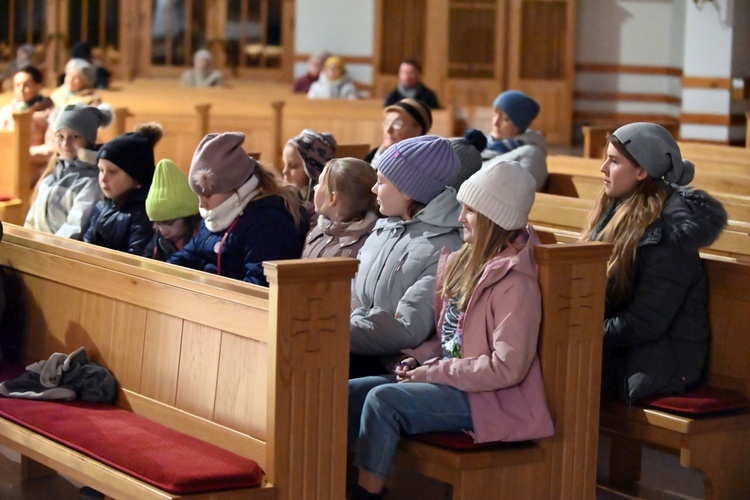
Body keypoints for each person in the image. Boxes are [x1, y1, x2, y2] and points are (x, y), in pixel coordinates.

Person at [347, 161, 554, 499]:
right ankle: (331, 482)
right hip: (454, 380)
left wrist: (436, 372)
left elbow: (507, 367)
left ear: (492, 219)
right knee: (352, 391)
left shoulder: (516, 284)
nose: (460, 218)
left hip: (490, 399)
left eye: (469, 211)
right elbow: (449, 339)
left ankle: (367, 494)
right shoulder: (464, 263)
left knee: (384, 400)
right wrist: (418, 359)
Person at [579, 123, 727, 404]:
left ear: (641, 170)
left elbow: (645, 322)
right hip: (626, 351)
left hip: (658, 364)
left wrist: (580, 331)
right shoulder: (615, 213)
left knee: (558, 373)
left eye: (613, 161)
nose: (602, 168)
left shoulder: (669, 235)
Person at [350, 135, 464, 378]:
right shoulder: (384, 229)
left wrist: (332, 331)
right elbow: (351, 294)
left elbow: (407, 329)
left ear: (408, 191)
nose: (373, 189)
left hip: (394, 365)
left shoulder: (444, 247)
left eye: (381, 182)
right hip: (355, 344)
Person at [168, 132, 310, 286]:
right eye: (198, 196)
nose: (202, 204)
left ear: (235, 187)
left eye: (207, 195)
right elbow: (189, 255)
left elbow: (259, 286)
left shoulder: (269, 222)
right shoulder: (216, 214)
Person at [24, 103, 113, 239]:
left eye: (75, 136)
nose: (65, 143)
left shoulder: (92, 181)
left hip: (58, 254)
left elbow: (74, 229)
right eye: (60, 136)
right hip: (38, 251)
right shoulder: (51, 176)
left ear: (88, 140)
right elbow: (31, 222)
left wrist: (41, 249)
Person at [83, 124, 163, 255]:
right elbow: (86, 244)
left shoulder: (144, 215)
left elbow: (135, 260)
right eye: (101, 170)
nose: (103, 178)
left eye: (113, 171)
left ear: (137, 177)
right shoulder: (102, 205)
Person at [302, 157, 379, 259]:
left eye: (320, 183)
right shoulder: (319, 230)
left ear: (332, 198)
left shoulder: (364, 246)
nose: (315, 188)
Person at [481, 90, 547, 191]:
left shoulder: (532, 154)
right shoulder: (483, 145)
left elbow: (521, 194)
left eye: (505, 119)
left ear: (519, 125)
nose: (496, 123)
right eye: (495, 115)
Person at [0, 65, 55, 179]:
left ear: (38, 86)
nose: (21, 90)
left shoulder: (50, 113)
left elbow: (53, 148)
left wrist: (23, 152)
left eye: (26, 85)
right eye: (17, 85)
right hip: (6, 163)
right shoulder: (6, 111)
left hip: (35, 167)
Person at [143, 158, 202, 261]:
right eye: (158, 224)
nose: (163, 231)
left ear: (189, 216)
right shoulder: (159, 238)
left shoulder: (203, 239)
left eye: (169, 223)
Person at [282, 129, 337, 223]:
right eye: (284, 164)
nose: (284, 171)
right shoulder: (288, 201)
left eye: (293, 166)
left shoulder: (321, 212)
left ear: (314, 171)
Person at [364, 98, 432, 167]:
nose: (388, 130)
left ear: (417, 131)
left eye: (397, 124)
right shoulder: (373, 154)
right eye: (387, 122)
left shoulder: (416, 163)